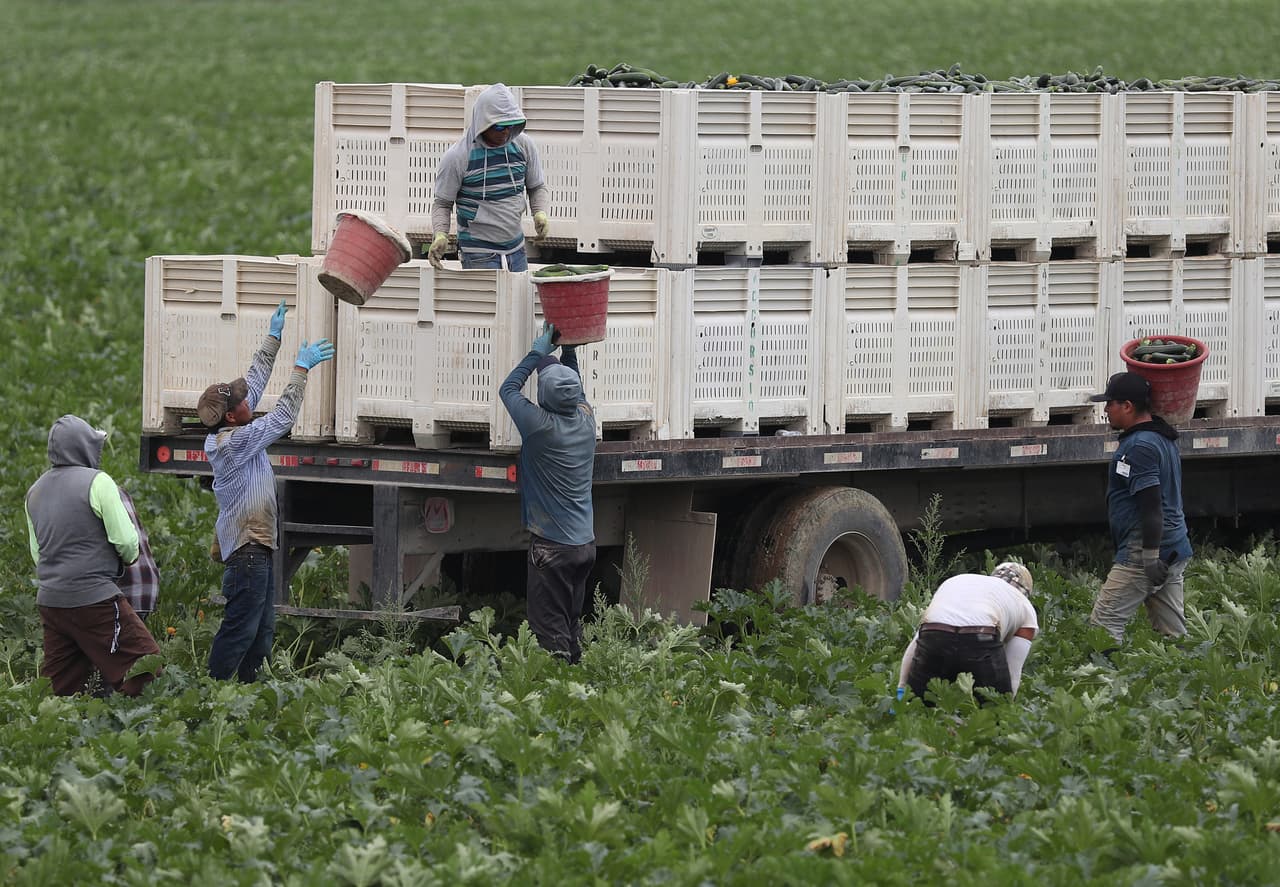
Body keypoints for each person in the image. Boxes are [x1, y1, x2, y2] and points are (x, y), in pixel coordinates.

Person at [196, 299, 334, 681]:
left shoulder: (235, 422)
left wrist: (274, 336)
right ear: (230, 416)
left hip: (257, 548)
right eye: (241, 402)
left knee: (261, 632)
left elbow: (254, 379)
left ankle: (247, 687)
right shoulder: (233, 442)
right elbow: (284, 417)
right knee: (241, 626)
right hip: (248, 551)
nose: (248, 400)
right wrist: (301, 369)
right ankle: (216, 689)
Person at [25, 415, 162, 697]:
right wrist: (127, 559)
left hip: (51, 602)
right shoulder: (98, 482)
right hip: (95, 598)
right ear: (85, 447)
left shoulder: (34, 492)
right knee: (146, 665)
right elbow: (126, 541)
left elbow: (38, 555)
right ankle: (137, 723)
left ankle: (58, 734)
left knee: (63, 687)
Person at [499, 322, 596, 663]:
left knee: (549, 627)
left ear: (544, 397)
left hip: (552, 547)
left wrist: (537, 353)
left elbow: (508, 389)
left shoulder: (539, 428)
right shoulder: (586, 420)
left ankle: (558, 692)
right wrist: (567, 346)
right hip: (584, 544)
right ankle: (579, 678)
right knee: (570, 620)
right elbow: (575, 387)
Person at [1087, 371, 1193, 644]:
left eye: (1110, 403)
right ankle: (1186, 680)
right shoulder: (1160, 437)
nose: (1106, 410)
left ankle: (1103, 683)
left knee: (1103, 625)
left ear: (1128, 406)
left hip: (1146, 550)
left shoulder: (1140, 447)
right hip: (1173, 545)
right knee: (1174, 635)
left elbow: (1151, 505)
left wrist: (1148, 557)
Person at [427, 83, 550, 271]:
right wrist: (441, 234)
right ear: (483, 123)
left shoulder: (523, 146)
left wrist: (539, 213)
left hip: (516, 249)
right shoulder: (458, 157)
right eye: (500, 127)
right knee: (488, 301)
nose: (506, 132)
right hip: (478, 252)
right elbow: (442, 203)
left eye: (511, 125)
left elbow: (536, 187)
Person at [897, 562, 1038, 703]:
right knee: (994, 707)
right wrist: (1007, 706)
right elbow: (1012, 669)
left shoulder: (960, 581)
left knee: (919, 706)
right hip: (981, 635)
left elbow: (916, 642)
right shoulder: (1024, 606)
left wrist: (902, 689)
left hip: (934, 632)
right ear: (1025, 592)